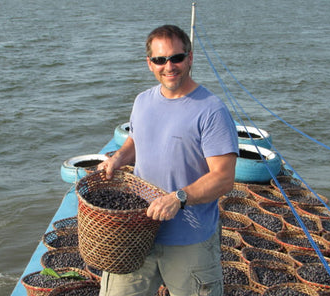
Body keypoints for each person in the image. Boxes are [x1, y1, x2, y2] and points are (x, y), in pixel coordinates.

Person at [97, 24, 239, 296]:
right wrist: (117, 158)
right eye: (160, 60)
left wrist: (179, 198)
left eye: (177, 57)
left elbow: (223, 177)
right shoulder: (142, 101)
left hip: (190, 239)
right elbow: (137, 141)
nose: (169, 66)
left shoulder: (212, 111)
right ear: (149, 63)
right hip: (136, 233)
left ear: (190, 58)